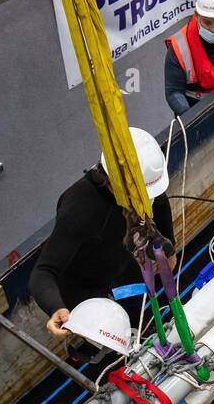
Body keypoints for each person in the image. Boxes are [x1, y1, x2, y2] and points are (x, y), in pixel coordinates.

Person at [31, 127, 176, 339]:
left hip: (124, 269)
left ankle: (146, 329)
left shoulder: (142, 185)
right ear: (116, 183)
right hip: (89, 290)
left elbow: (160, 201)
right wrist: (55, 308)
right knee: (114, 341)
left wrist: (169, 245)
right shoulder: (80, 208)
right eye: (142, 193)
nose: (146, 199)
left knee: (141, 315)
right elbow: (43, 272)